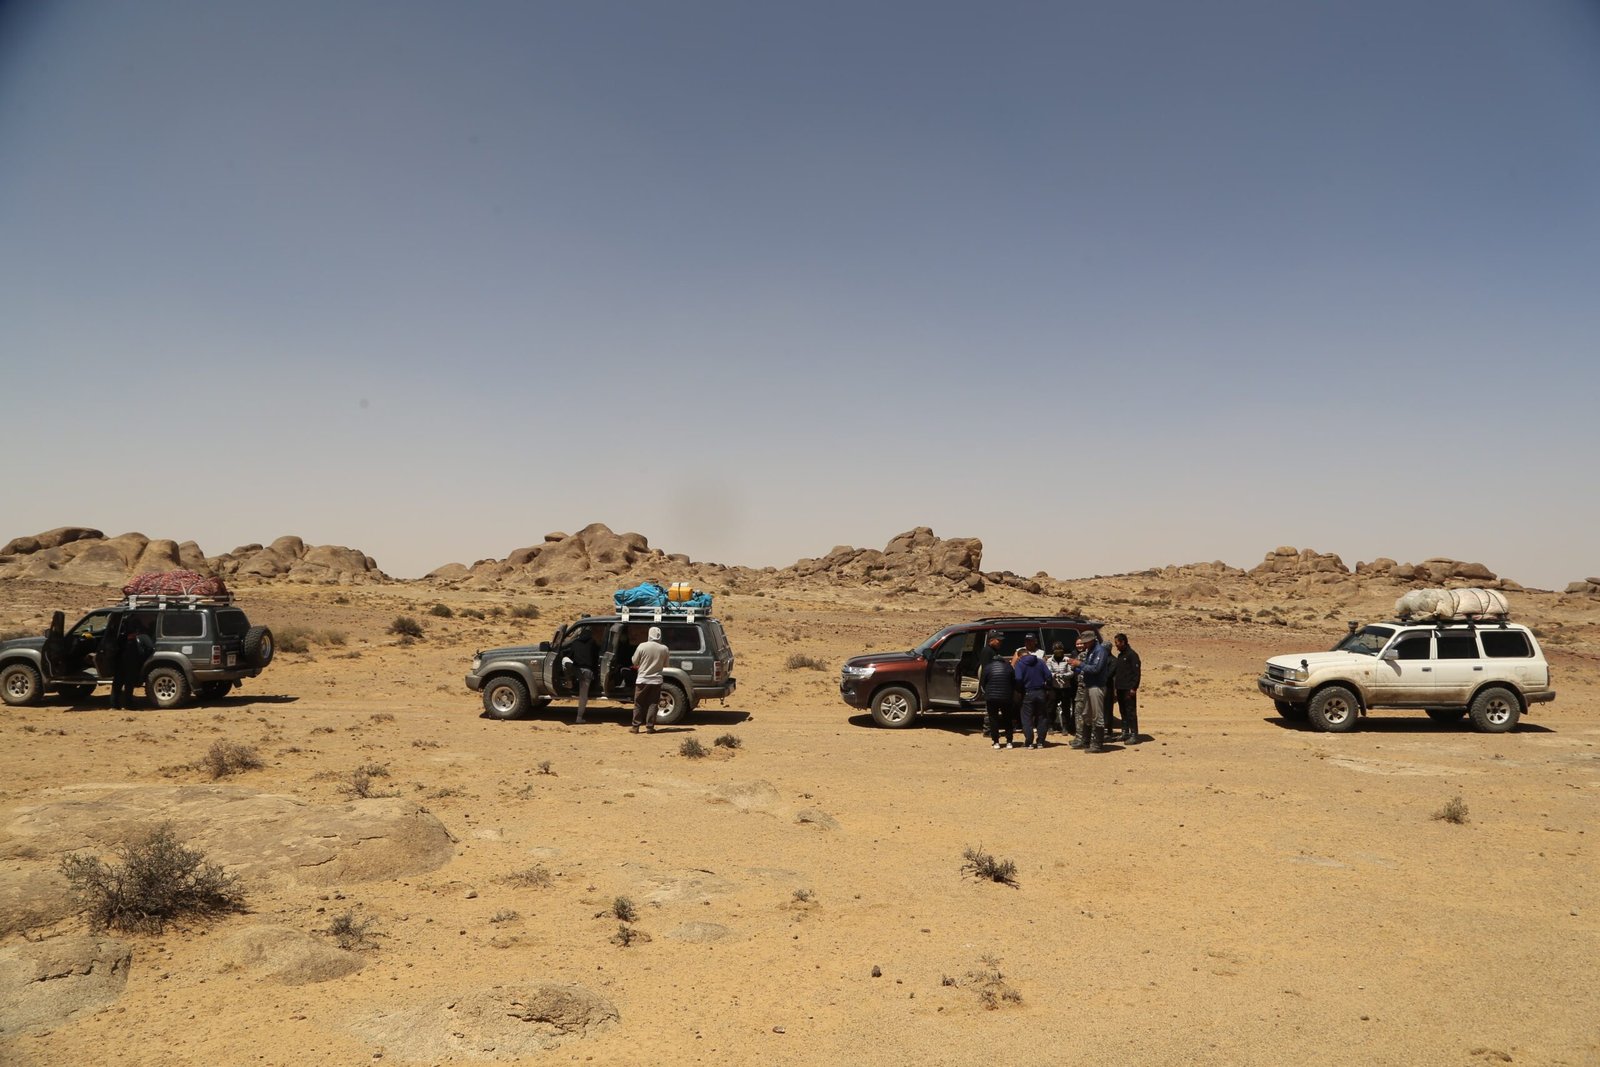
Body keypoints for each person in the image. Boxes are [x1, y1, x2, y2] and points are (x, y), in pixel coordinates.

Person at [1068, 630, 1112, 752]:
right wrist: (1076, 667)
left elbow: (1096, 669)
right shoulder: (1090, 651)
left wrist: (1079, 664)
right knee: (1086, 714)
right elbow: (1087, 667)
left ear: (1092, 640)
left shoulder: (1100, 651)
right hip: (1089, 685)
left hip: (1096, 686)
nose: (1084, 645)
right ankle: (1086, 741)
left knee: (1097, 716)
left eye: (1086, 642)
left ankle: (1097, 744)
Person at [1012, 636, 1054, 749]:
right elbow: (1049, 676)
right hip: (1041, 692)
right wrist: (1047, 687)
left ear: (1020, 656)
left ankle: (1029, 742)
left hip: (1027, 693)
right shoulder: (1040, 662)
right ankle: (1041, 742)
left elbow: (1018, 678)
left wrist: (1019, 689)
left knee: (1027, 718)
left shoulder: (1020, 664)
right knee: (1042, 717)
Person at [978, 638, 1016, 749]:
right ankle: (1009, 742)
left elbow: (983, 682)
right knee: (1007, 718)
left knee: (993, 719)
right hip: (1006, 697)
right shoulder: (1008, 667)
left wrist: (987, 691)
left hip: (992, 697)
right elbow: (1013, 681)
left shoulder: (988, 668)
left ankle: (996, 742)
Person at [630, 626, 669, 733]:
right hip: (656, 681)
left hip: (642, 680)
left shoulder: (642, 646)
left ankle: (635, 727)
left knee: (638, 703)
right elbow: (666, 665)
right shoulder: (664, 648)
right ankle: (650, 727)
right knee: (653, 703)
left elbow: (634, 661)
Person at [111, 617, 153, 710]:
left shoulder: (123, 638)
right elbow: (148, 649)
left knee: (122, 685)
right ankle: (119, 704)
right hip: (126, 664)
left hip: (125, 664)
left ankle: (120, 704)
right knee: (122, 685)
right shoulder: (128, 639)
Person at [1111, 632, 1142, 744]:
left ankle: (1134, 735)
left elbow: (1136, 673)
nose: (1116, 645)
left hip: (1129, 689)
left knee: (1130, 712)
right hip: (1120, 688)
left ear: (1123, 642)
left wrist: (1134, 688)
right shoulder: (1121, 656)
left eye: (1117, 643)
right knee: (1123, 711)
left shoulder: (1132, 655)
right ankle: (1125, 732)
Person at [566, 628, 599, 725]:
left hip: (577, 671)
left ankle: (569, 681)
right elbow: (596, 658)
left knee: (565, 661)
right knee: (583, 696)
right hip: (588, 671)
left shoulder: (575, 642)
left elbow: (570, 656)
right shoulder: (593, 643)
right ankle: (579, 717)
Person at [1043, 641, 1075, 735]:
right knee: (1051, 707)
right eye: (1056, 650)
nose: (1058, 652)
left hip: (1065, 687)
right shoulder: (1050, 660)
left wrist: (1064, 675)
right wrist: (1054, 675)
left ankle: (1065, 726)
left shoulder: (1067, 660)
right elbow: (1048, 672)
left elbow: (1071, 672)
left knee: (1066, 707)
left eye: (1060, 650)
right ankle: (1050, 725)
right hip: (1054, 687)